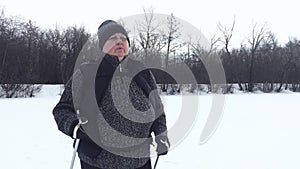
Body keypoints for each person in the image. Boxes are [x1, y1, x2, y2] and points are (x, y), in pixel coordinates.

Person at [52, 20, 170, 169]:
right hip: (97, 161)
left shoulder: (142, 71)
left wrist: (161, 135)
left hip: (140, 161)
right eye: (113, 38)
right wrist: (75, 128)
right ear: (102, 45)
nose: (119, 42)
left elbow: (158, 110)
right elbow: (62, 109)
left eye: (123, 38)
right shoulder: (87, 72)